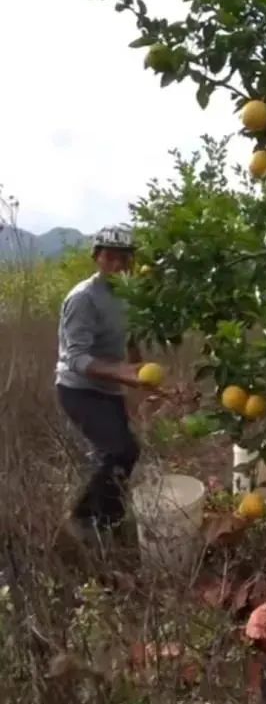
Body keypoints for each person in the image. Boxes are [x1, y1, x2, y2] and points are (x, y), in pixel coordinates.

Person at [56, 225, 152, 554]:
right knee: (117, 450)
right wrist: (123, 373)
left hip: (109, 388)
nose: (117, 265)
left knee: (127, 451)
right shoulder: (82, 298)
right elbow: (76, 357)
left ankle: (109, 520)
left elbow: (131, 338)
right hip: (78, 389)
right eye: (110, 257)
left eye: (124, 258)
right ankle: (80, 518)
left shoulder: (128, 293)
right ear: (97, 258)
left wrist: (140, 371)